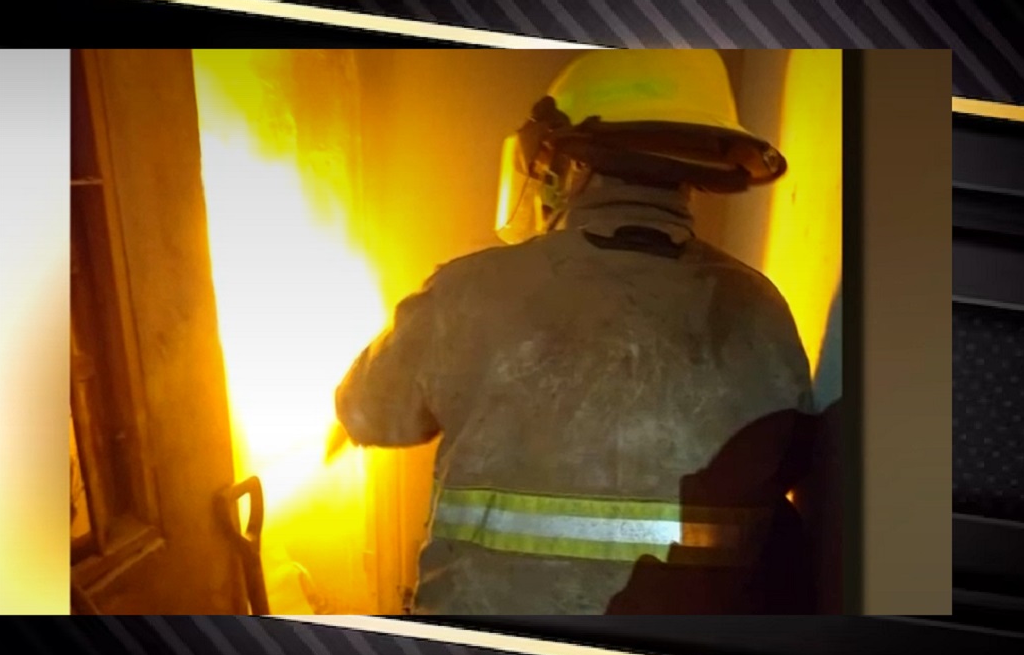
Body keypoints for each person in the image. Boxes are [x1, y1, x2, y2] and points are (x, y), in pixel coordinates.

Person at [334, 50, 815, 615]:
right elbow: (789, 462)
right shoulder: (760, 308)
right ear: (694, 173)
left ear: (573, 166)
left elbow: (366, 412)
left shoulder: (470, 289)